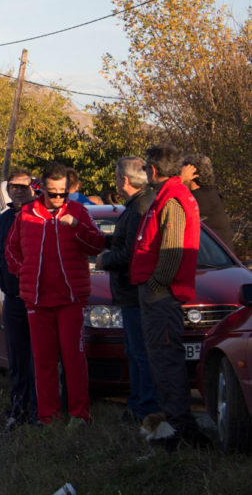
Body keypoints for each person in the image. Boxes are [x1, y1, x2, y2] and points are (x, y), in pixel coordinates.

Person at [6, 162, 106, 427]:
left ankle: (79, 415)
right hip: (37, 300)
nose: (59, 198)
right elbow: (11, 250)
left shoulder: (79, 211)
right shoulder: (26, 214)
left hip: (70, 299)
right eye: (53, 193)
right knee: (44, 361)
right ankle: (48, 416)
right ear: (42, 189)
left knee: (74, 359)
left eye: (63, 193)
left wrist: (76, 226)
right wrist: (23, 271)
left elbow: (96, 244)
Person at [131, 143, 207, 448]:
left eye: (146, 166)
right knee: (163, 361)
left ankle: (180, 431)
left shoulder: (172, 199)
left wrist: (155, 285)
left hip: (162, 296)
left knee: (166, 362)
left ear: (154, 169)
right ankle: (176, 428)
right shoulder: (172, 194)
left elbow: (173, 250)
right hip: (161, 294)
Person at [97, 157, 159, 423]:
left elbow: (132, 253)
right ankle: (138, 403)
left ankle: (144, 407)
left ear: (124, 180)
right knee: (135, 352)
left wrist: (105, 259)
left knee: (140, 353)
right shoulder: (140, 205)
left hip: (135, 292)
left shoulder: (138, 209)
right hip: (134, 291)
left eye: (116, 177)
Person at [0, 169, 39, 430]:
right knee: (16, 357)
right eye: (14, 187)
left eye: (24, 187)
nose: (18, 191)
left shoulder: (41, 217)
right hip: (11, 298)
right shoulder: (3, 220)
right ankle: (18, 408)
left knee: (38, 359)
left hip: (37, 300)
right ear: (7, 189)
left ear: (33, 189)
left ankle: (39, 411)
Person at [180, 152, 234, 252]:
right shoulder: (209, 194)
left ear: (192, 174)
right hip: (216, 260)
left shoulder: (201, 198)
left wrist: (181, 179)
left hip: (213, 263)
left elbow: (166, 204)